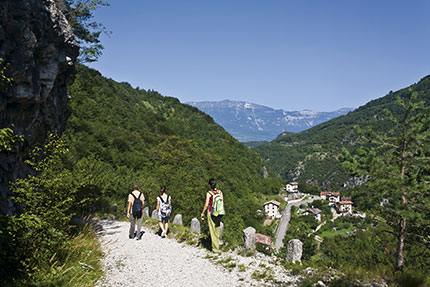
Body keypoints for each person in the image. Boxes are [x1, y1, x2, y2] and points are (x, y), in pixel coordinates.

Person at [201, 178, 224, 253]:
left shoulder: (209, 193)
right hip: (219, 213)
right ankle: (217, 246)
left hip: (211, 213)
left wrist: (202, 213)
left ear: (209, 185)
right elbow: (222, 202)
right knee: (217, 230)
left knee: (212, 231)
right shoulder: (220, 192)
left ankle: (215, 249)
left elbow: (206, 205)